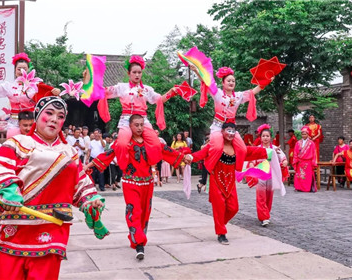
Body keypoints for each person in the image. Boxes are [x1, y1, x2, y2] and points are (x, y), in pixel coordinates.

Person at [0, 95, 106, 280]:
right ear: (37, 116)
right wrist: (9, 191)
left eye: (60, 116)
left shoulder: (69, 151)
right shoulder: (18, 143)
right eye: (49, 113)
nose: (55, 119)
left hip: (51, 227)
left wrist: (90, 201)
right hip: (17, 224)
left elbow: (80, 184)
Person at [87, 114, 185, 259]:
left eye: (141, 125)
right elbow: (108, 154)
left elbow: (164, 150)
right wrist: (88, 166)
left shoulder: (149, 142)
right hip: (130, 182)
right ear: (130, 126)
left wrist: (185, 158)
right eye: (136, 125)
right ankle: (139, 243)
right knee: (134, 211)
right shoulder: (124, 143)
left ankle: (139, 237)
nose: (139, 128)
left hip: (147, 183)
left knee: (145, 213)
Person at [185, 122, 268, 245]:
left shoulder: (238, 149)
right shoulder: (215, 146)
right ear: (222, 131)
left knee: (234, 208)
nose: (231, 134)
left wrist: (269, 151)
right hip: (216, 181)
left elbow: (251, 151)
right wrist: (190, 157)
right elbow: (201, 154)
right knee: (219, 209)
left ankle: (220, 225)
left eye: (233, 131)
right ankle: (221, 233)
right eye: (228, 130)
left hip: (230, 183)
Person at [97, 55, 178, 171]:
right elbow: (103, 91)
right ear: (129, 73)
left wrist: (171, 92)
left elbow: (159, 99)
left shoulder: (147, 89)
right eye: (134, 72)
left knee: (155, 143)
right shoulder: (121, 87)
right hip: (126, 120)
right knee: (121, 144)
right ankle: (125, 167)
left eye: (139, 72)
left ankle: (148, 165)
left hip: (142, 120)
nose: (137, 75)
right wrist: (92, 79)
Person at [190, 65, 269, 170]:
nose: (231, 83)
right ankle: (209, 167)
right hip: (218, 126)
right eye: (229, 81)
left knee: (242, 149)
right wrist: (196, 70)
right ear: (223, 83)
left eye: (233, 81)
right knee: (217, 147)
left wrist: (266, 81)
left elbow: (253, 92)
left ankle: (237, 170)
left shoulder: (238, 96)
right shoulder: (217, 93)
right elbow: (206, 81)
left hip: (231, 128)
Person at [246, 124, 287, 227]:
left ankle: (265, 213)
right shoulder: (257, 149)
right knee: (261, 196)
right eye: (263, 136)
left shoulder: (275, 149)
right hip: (260, 176)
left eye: (267, 136)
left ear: (271, 138)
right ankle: (264, 217)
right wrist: (252, 165)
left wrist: (284, 162)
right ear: (260, 137)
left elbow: (283, 159)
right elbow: (251, 160)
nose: (265, 138)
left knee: (269, 196)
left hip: (271, 176)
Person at [292, 126, 318, 192]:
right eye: (302, 134)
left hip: (308, 162)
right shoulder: (298, 143)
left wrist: (313, 162)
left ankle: (307, 188)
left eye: (305, 134)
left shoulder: (311, 143)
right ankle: (299, 187)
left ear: (308, 134)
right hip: (300, 162)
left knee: (307, 176)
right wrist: (295, 160)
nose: (303, 135)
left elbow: (314, 153)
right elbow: (295, 152)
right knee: (299, 176)